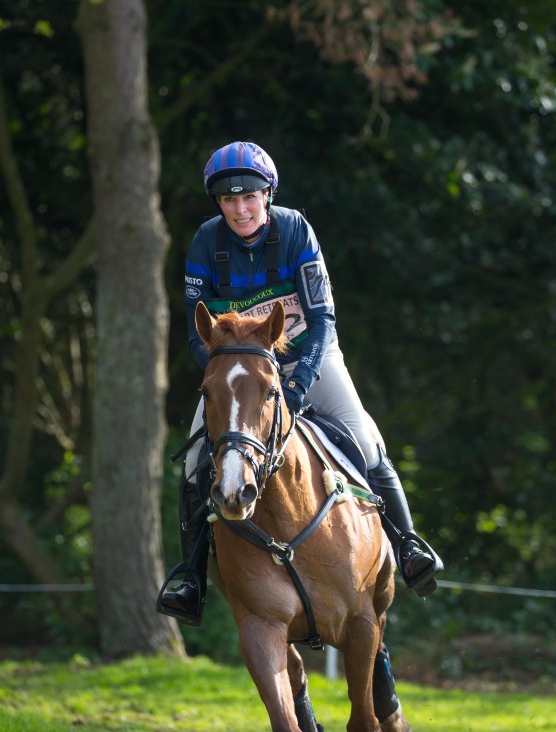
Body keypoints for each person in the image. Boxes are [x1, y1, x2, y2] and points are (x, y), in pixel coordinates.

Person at [157, 141, 443, 626]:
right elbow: (196, 332)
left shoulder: (294, 229)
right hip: (241, 368)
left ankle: (408, 545)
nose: (240, 208)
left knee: (368, 441)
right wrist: (227, 375)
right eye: (229, 200)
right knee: (191, 462)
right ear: (219, 204)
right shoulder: (206, 243)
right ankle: (191, 578)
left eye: (249, 197)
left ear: (267, 195)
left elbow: (322, 315)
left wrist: (298, 383)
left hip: (308, 354)